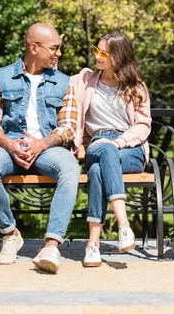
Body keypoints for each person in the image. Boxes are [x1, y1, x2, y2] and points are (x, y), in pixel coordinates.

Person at [0, 23, 80, 274]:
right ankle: (10, 233)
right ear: (34, 47)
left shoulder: (64, 82)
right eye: (54, 48)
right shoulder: (1, 77)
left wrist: (42, 143)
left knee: (70, 168)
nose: (59, 53)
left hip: (46, 148)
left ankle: (52, 245)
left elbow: (69, 125)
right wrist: (10, 144)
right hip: (8, 146)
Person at [69, 30, 151, 267]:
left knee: (97, 172)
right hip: (97, 143)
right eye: (96, 50)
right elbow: (55, 77)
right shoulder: (85, 80)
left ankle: (93, 244)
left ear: (119, 56)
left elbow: (143, 125)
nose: (98, 56)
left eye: (104, 52)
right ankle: (123, 225)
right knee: (104, 151)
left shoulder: (136, 87)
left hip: (129, 147)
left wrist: (118, 142)